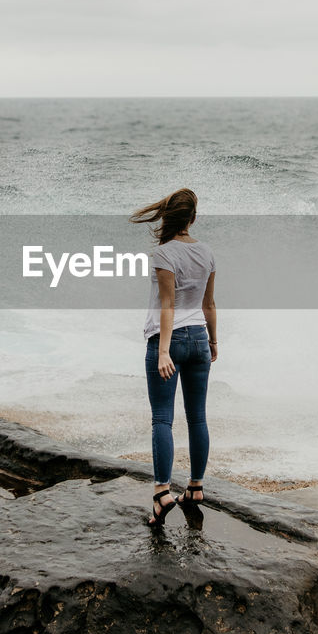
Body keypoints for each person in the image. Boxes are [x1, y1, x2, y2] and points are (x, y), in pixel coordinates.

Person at [130, 188, 218, 526]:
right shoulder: (207, 253)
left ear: (169, 218)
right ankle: (195, 487)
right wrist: (212, 340)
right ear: (192, 219)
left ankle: (162, 493)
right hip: (198, 336)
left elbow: (168, 305)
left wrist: (164, 350)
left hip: (167, 341)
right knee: (197, 417)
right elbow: (208, 303)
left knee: (162, 419)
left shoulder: (164, 255)